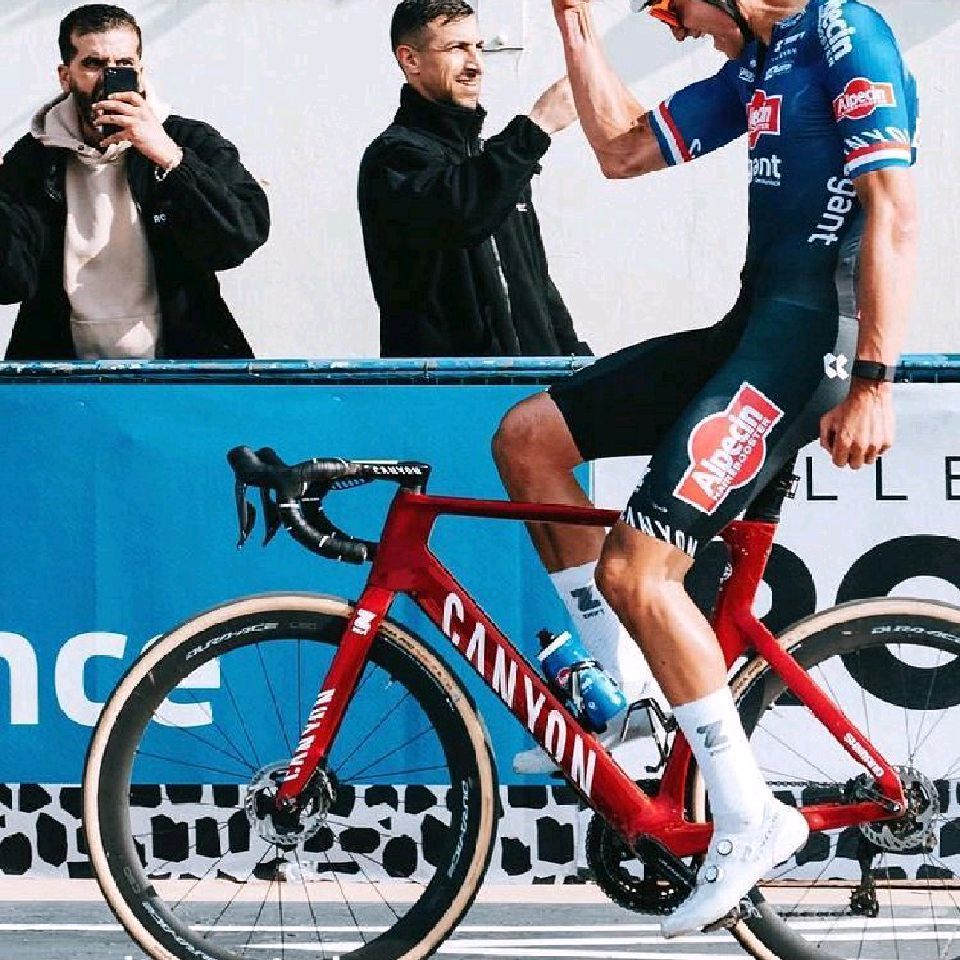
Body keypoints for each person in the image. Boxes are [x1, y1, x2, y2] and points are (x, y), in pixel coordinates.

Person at [493, 0, 917, 937]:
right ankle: (625, 705)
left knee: (639, 571)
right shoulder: (758, 62)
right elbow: (621, 150)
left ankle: (750, 814)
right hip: (751, 331)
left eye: (672, 5)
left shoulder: (844, 31)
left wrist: (876, 381)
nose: (675, 27)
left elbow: (892, 208)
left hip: (808, 346)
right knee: (528, 439)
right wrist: (575, 28)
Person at [0, 4, 269, 361]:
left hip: (182, 368)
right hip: (65, 374)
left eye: (124, 65)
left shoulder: (188, 140)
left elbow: (239, 237)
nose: (109, 78)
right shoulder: (34, 158)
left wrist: (171, 159)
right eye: (93, 64)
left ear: (141, 72)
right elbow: (10, 282)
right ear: (66, 76)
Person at [358, 0, 592, 358]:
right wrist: (537, 127)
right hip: (449, 386)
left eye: (478, 47)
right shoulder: (393, 159)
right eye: (457, 48)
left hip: (532, 383)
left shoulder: (492, 163)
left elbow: (536, 283)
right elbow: (460, 214)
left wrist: (576, 363)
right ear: (410, 60)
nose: (475, 64)